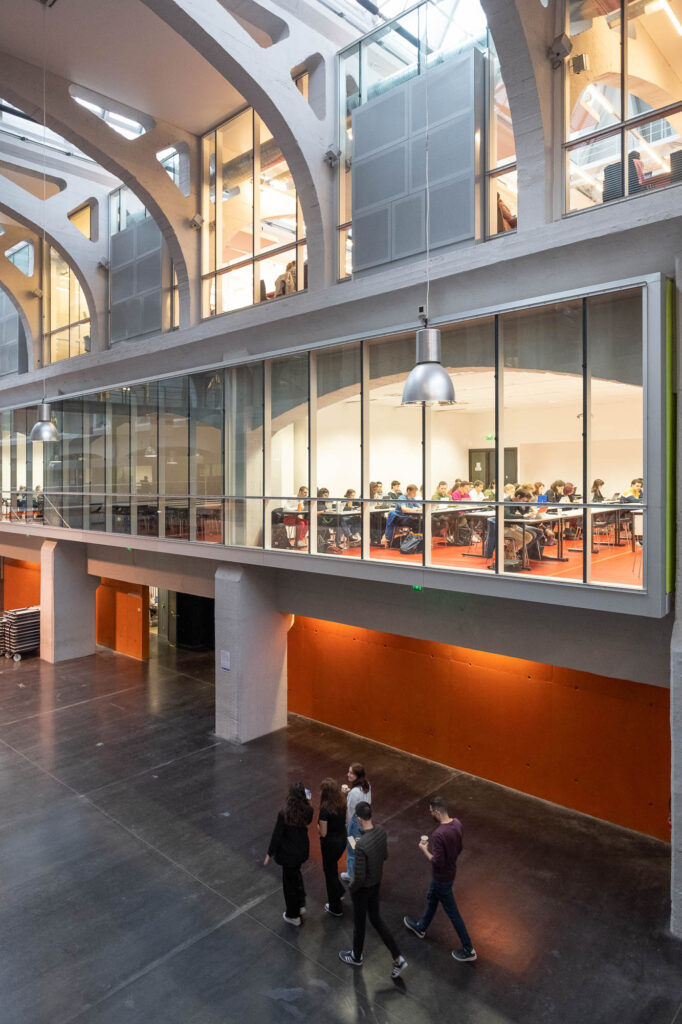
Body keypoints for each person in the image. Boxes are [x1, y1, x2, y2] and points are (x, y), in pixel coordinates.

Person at [403, 795, 477, 963]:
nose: (430, 813)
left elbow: (437, 862)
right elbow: (460, 848)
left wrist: (424, 850)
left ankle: (469, 949)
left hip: (441, 878)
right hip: (450, 873)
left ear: (436, 812)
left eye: (430, 811)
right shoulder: (457, 824)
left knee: (453, 912)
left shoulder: (438, 834)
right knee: (432, 898)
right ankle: (421, 927)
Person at [338, 801, 408, 979]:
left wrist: (352, 889)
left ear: (360, 818)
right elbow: (384, 855)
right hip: (376, 883)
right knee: (376, 919)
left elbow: (359, 876)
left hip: (362, 890)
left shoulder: (361, 846)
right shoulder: (381, 833)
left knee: (359, 924)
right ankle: (398, 957)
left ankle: (356, 956)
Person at [264, 782, 314, 926]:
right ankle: (300, 904)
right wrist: (309, 803)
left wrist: (270, 852)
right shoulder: (308, 811)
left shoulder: (284, 813)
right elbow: (309, 819)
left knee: (289, 884)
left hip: (288, 854)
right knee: (296, 875)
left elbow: (277, 834)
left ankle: (293, 915)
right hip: (301, 851)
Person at [318, 778, 347, 916]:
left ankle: (335, 907)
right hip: (342, 840)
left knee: (329, 873)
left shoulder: (324, 810)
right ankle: (339, 891)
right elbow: (346, 821)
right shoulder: (342, 803)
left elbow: (323, 832)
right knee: (333, 868)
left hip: (330, 844)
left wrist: (317, 826)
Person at [341, 762, 371, 882]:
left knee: (352, 848)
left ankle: (351, 874)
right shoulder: (367, 785)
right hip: (365, 820)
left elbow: (350, 810)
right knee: (362, 847)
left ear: (357, 776)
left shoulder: (354, 793)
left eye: (351, 773)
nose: (348, 775)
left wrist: (347, 824)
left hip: (354, 824)